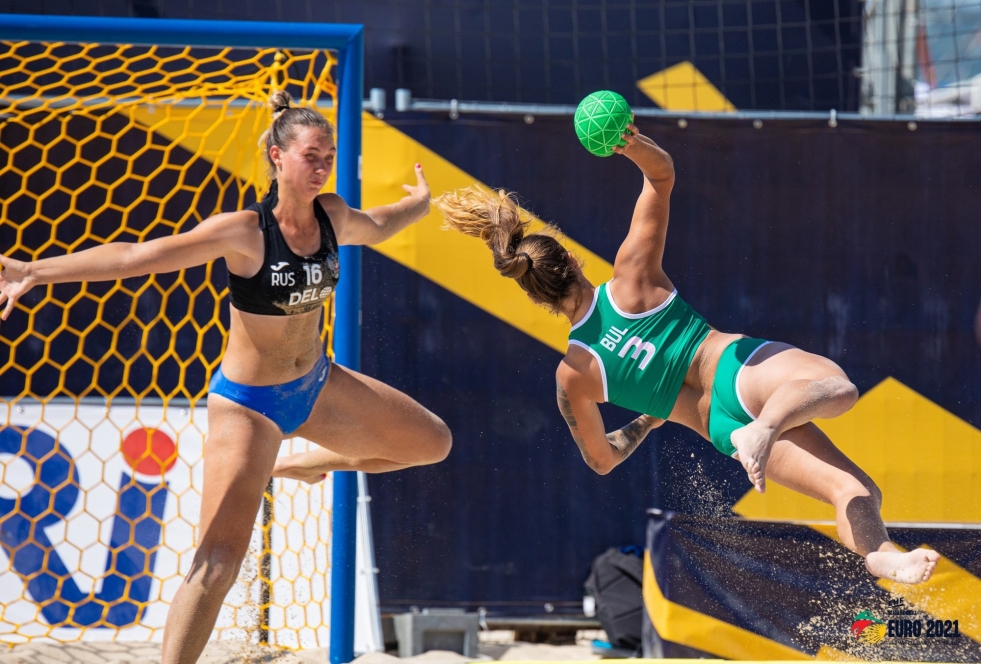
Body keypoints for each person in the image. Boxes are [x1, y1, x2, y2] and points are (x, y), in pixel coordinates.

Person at [0, 91, 452, 663]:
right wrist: (35, 271)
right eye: (312, 155)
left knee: (432, 442)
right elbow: (136, 256)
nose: (322, 166)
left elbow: (381, 225)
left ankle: (308, 467)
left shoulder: (333, 216)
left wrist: (419, 203)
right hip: (249, 406)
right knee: (218, 561)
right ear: (277, 156)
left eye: (329, 156)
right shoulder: (246, 232)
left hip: (316, 384)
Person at [436, 124, 938, 586]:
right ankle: (764, 430)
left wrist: (646, 422)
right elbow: (661, 174)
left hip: (720, 428)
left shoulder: (574, 376)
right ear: (571, 258)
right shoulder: (630, 278)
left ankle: (885, 557)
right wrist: (628, 141)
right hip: (738, 373)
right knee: (837, 387)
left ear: (533, 295)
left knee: (850, 490)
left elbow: (602, 461)